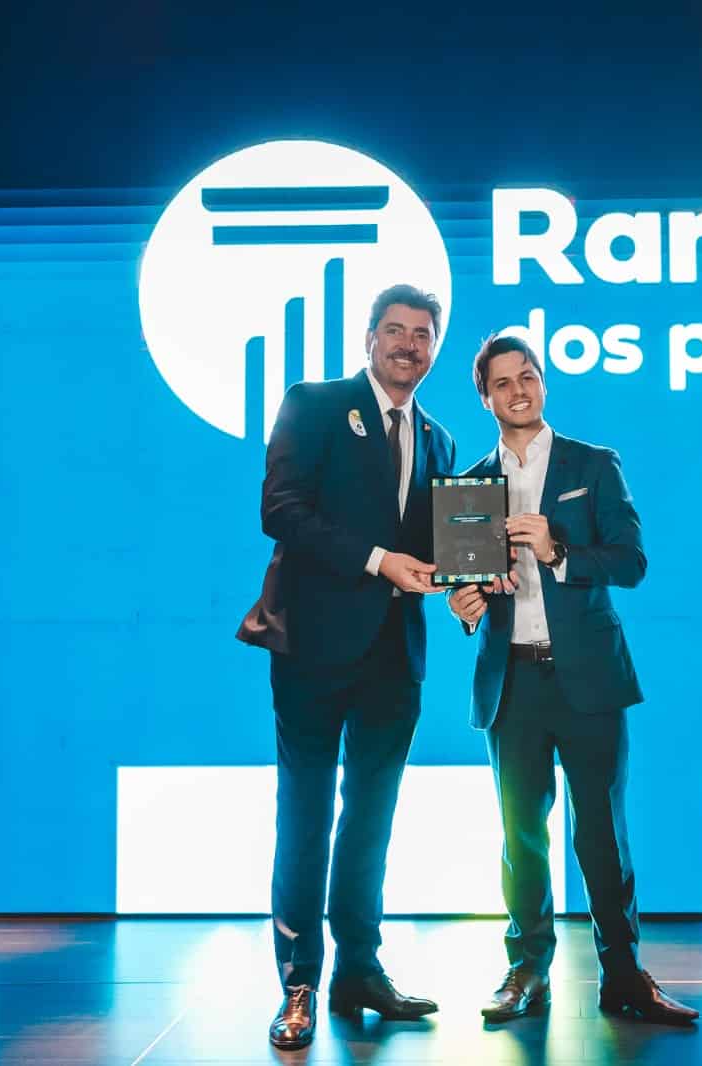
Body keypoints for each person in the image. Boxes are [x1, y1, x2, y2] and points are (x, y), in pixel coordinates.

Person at [447, 334, 699, 1026]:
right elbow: (468, 591)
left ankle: (624, 975)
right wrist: (464, 606)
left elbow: (632, 562)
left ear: (543, 383)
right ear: (485, 397)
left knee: (602, 834)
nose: (518, 390)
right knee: (521, 836)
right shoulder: (468, 487)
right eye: (503, 382)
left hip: (589, 678)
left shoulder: (594, 464)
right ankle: (527, 972)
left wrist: (558, 550)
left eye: (527, 376)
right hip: (511, 683)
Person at [240, 284, 456, 1050]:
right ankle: (298, 983)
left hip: (396, 659)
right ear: (369, 339)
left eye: (422, 335)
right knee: (304, 817)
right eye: (395, 330)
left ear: (433, 349)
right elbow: (280, 509)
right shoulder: (315, 403)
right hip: (314, 650)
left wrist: (468, 578)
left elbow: (434, 550)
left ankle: (360, 970)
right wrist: (377, 560)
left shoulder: (437, 439)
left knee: (371, 820)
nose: (408, 345)